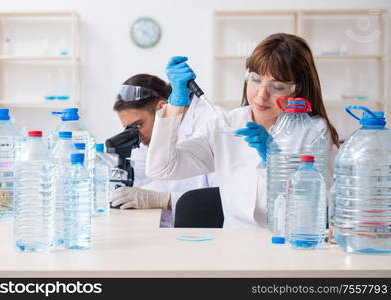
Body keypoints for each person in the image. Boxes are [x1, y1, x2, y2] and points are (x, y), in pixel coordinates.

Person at [146, 33, 340, 228]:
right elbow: (162, 168)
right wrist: (175, 102)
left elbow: (318, 206)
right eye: (256, 79)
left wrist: (274, 158)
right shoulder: (226, 124)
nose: (262, 95)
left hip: (288, 245)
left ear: (297, 90)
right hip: (234, 245)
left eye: (278, 86)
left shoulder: (313, 131)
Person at [110, 73, 224, 227]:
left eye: (138, 125)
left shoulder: (211, 121)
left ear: (162, 109)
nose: (137, 135)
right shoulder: (150, 138)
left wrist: (167, 200)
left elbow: (219, 200)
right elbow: (151, 179)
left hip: (208, 234)